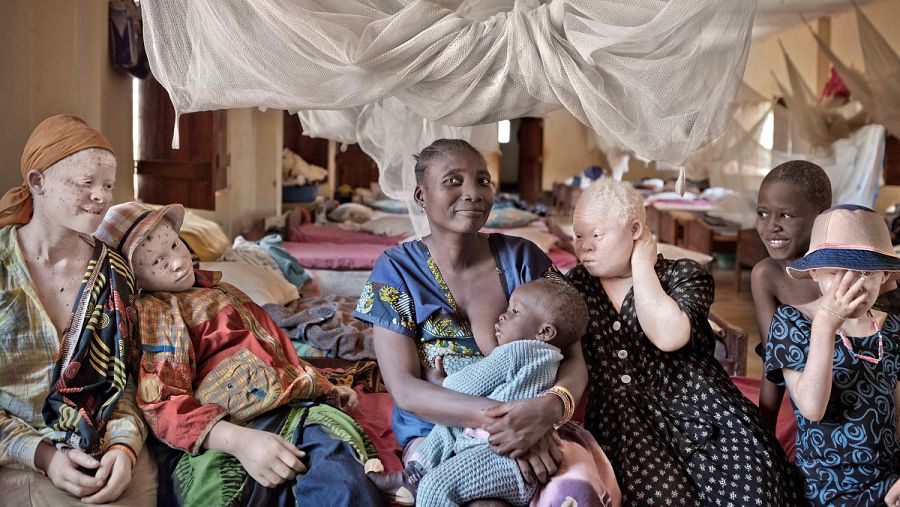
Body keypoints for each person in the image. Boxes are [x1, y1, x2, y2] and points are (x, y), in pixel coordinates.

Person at [354, 139, 612, 506]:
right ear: (421, 195)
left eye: (482, 181)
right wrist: (508, 423)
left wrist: (548, 409)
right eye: (453, 181)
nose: (473, 193)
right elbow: (405, 389)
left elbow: (573, 355)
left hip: (538, 421)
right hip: (439, 433)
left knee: (568, 495)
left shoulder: (524, 259)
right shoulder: (396, 271)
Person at [94, 201, 385, 507]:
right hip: (231, 428)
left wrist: (325, 386)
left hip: (293, 408)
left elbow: (277, 353)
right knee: (218, 495)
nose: (178, 263)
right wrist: (241, 442)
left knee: (345, 483)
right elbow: (163, 401)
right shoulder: (159, 314)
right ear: (133, 280)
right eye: (157, 262)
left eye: (175, 245)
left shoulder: (223, 290)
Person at [566, 178, 801, 506]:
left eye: (596, 235)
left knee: (755, 490)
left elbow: (669, 336)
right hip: (627, 420)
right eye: (578, 236)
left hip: (703, 405)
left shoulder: (683, 275)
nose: (584, 247)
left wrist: (641, 266)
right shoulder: (574, 286)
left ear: (636, 230)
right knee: (668, 498)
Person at [0, 114, 155, 505]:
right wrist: (44, 456)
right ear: (38, 182)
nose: (102, 196)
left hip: (98, 449)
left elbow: (126, 382)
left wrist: (124, 446)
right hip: (13, 454)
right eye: (87, 183)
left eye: (107, 185)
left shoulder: (115, 273)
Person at [371, 279, 617, 506]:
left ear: (544, 332)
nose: (502, 316)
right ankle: (415, 476)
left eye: (515, 311)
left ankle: (416, 477)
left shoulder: (515, 352)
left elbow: (465, 387)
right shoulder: (550, 358)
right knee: (449, 430)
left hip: (501, 453)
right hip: (511, 458)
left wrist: (440, 380)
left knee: (434, 487)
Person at [765, 205, 900, 506]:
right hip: (827, 484)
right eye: (836, 271)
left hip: (890, 477)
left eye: (866, 272)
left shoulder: (892, 329)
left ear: (885, 275)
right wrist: (825, 324)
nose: (851, 284)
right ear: (814, 272)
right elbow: (813, 407)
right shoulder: (792, 322)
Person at [751, 160, 833, 432]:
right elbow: (773, 358)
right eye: (762, 213)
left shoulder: (845, 269)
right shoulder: (767, 275)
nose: (771, 226)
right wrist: (766, 435)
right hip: (805, 396)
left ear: (820, 217)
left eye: (786, 215)